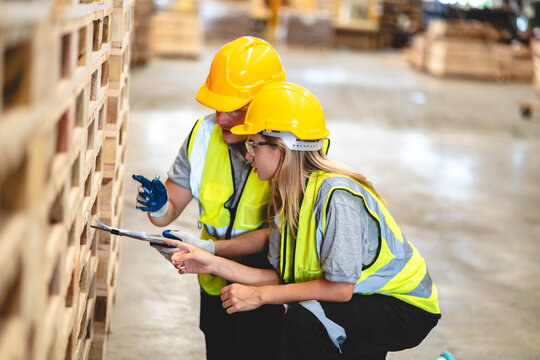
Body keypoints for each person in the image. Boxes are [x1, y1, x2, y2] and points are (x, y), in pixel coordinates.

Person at [163, 82, 441, 360]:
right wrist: (209, 260)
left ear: (281, 150)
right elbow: (279, 278)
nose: (248, 155)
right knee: (303, 318)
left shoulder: (336, 198)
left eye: (254, 145)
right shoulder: (287, 198)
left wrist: (257, 296)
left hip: (403, 306)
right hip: (363, 299)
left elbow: (340, 290)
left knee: (305, 319)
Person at [131, 36, 286, 360]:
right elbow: (167, 213)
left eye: (235, 111)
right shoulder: (203, 136)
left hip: (269, 285)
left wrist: (209, 250)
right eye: (218, 107)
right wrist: (159, 207)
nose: (221, 119)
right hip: (214, 282)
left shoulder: (289, 150)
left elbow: (282, 234)